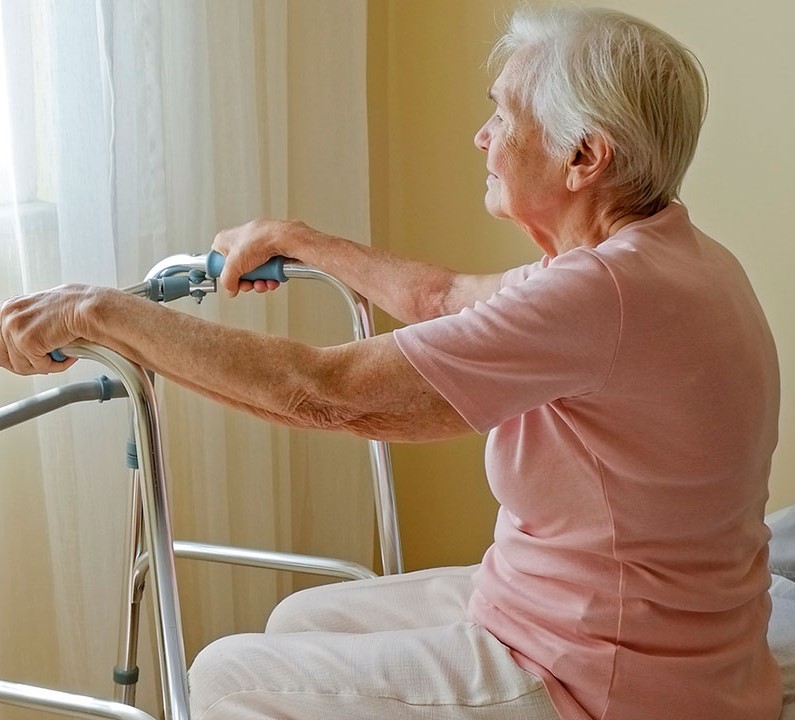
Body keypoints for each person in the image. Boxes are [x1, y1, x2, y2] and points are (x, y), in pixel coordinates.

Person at [0, 5, 782, 720]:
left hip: (609, 672)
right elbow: (446, 296)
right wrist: (298, 238)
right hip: (599, 613)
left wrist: (98, 312)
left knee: (226, 676)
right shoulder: (663, 257)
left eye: (501, 115)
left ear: (582, 157)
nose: (482, 137)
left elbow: (325, 392)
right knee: (302, 616)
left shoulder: (599, 292)